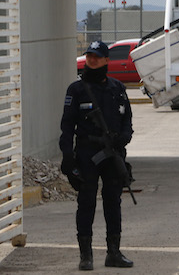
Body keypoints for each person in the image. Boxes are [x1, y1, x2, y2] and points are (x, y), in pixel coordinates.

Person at [60, 41, 134, 270]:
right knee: (86, 203)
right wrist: (67, 157)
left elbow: (127, 120)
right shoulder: (77, 89)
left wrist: (123, 138)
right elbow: (67, 126)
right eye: (89, 56)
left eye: (96, 57)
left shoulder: (117, 88)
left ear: (105, 60)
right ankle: (86, 256)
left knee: (113, 203)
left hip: (112, 155)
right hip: (87, 154)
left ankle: (114, 253)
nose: (92, 60)